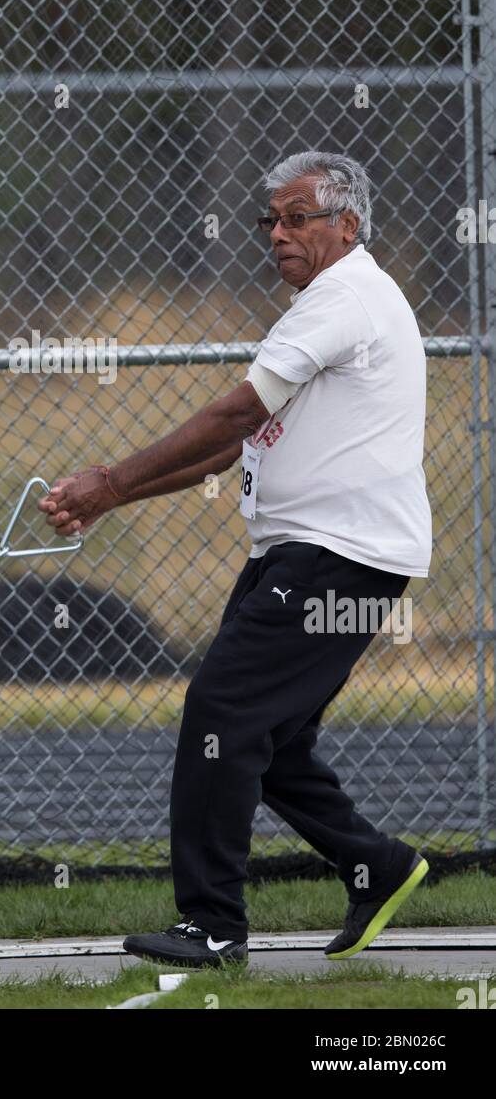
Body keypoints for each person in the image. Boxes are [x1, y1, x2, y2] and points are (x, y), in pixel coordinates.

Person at [38, 150, 431, 968]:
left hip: (338, 558)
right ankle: (379, 866)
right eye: (270, 221)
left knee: (220, 714)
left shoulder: (346, 296)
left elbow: (233, 413)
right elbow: (225, 453)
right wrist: (104, 500)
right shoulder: (323, 303)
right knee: (269, 741)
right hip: (311, 555)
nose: (277, 234)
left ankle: (211, 925)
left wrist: (109, 480)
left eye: (297, 218)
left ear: (347, 226)